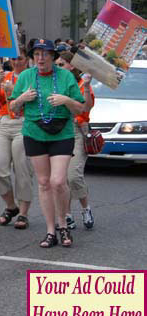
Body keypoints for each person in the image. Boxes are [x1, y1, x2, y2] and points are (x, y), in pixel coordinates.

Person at [9, 39, 85, 248]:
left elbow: (80, 108)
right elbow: (14, 108)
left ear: (53, 56)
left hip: (62, 133)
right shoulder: (25, 76)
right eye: (37, 54)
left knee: (58, 181)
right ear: (33, 58)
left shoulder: (66, 76)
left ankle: (63, 225)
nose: (40, 58)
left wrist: (66, 100)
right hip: (34, 132)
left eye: (45, 54)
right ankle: (51, 230)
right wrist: (22, 98)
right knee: (43, 183)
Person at [0, 52, 34, 229]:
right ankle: (10, 206)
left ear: (27, 60)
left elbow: (33, 99)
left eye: (20, 59)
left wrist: (13, 92)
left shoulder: (32, 77)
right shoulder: (4, 75)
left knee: (23, 169)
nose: (16, 62)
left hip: (24, 122)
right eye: (13, 59)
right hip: (3, 121)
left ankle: (23, 213)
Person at [57, 51, 95, 230]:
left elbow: (87, 106)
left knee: (73, 176)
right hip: (59, 130)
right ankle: (66, 214)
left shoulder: (81, 83)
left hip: (78, 130)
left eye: (61, 64)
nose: (58, 67)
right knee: (60, 178)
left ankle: (86, 208)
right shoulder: (58, 83)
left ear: (71, 65)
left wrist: (87, 86)